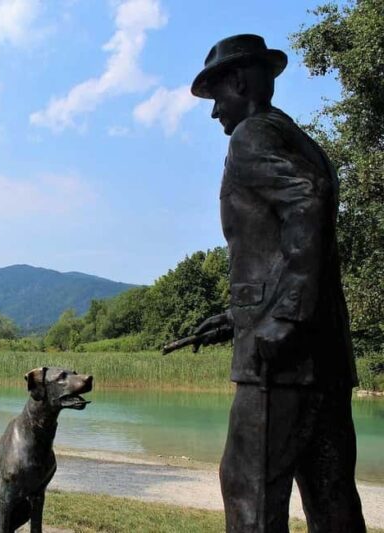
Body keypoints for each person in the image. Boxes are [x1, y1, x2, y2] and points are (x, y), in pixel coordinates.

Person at [190, 34, 366, 532]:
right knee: (332, 501)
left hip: (279, 364)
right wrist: (236, 316)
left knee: (250, 494)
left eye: (217, 96)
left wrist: (283, 317)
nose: (214, 112)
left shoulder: (252, 136)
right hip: (324, 359)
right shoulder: (298, 138)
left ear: (241, 82)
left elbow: (307, 204)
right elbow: (286, 245)